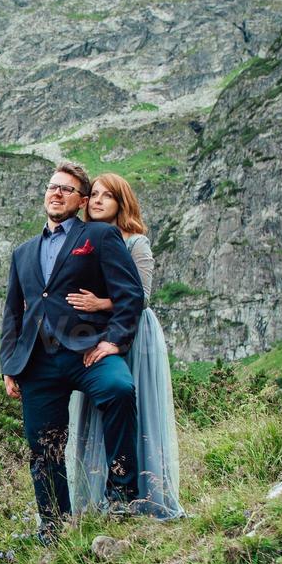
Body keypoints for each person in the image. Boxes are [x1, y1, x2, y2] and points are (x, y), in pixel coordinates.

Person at [0, 162, 146, 541]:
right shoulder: (23, 252)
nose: (57, 193)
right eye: (53, 187)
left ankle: (121, 498)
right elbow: (13, 312)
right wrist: (9, 365)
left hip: (87, 350)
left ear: (81, 200)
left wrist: (113, 340)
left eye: (67, 189)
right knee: (43, 445)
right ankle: (53, 525)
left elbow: (131, 294)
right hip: (36, 361)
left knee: (118, 389)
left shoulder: (97, 236)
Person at [63, 173, 185, 520]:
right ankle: (95, 500)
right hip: (96, 334)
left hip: (135, 333)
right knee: (97, 409)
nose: (98, 200)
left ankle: (141, 496)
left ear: (122, 202)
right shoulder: (86, 240)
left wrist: (100, 304)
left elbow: (142, 296)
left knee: (134, 404)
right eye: (95, 194)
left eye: (108, 196)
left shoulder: (136, 242)